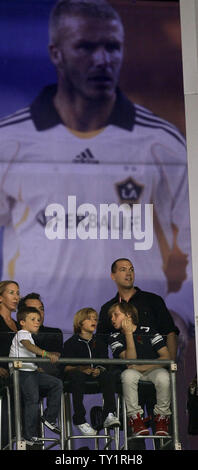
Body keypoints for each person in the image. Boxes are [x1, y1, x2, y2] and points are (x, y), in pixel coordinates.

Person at [0, 0, 193, 333]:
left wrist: (179, 315)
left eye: (112, 47)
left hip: (134, 350)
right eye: (87, 47)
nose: (103, 59)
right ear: (56, 53)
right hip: (38, 349)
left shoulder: (161, 143)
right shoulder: (11, 140)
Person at [108, 302, 171, 437]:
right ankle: (135, 419)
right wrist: (129, 334)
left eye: (116, 314)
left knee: (164, 376)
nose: (112, 319)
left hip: (152, 371)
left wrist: (143, 367)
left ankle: (162, 418)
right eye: (110, 316)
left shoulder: (149, 331)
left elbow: (166, 358)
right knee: (128, 375)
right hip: (132, 372)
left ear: (128, 315)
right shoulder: (114, 337)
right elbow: (130, 361)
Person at [97, 258, 179, 360]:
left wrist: (171, 364)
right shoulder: (107, 308)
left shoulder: (153, 300)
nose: (128, 273)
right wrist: (102, 369)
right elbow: (101, 341)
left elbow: (170, 332)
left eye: (131, 270)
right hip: (122, 370)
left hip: (155, 366)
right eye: (123, 270)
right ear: (113, 276)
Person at [9, 306, 63, 447]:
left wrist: (36, 366)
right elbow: (27, 346)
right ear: (22, 322)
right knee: (32, 400)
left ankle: (49, 417)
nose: (37, 322)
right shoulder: (22, 333)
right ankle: (29, 435)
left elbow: (28, 352)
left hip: (31, 371)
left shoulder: (29, 335)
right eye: (32, 319)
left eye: (38, 319)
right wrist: (46, 354)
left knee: (56, 383)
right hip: (21, 372)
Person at [62, 307, 120, 436]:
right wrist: (82, 369)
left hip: (96, 376)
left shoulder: (99, 342)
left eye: (95, 318)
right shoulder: (70, 343)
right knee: (77, 376)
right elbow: (65, 367)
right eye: (89, 318)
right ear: (80, 322)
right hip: (78, 377)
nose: (94, 321)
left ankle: (109, 414)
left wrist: (99, 369)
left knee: (108, 375)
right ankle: (80, 419)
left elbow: (105, 362)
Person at [18, 292, 63, 377]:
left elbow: (54, 357)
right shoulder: (17, 333)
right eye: (33, 310)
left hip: (48, 376)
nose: (39, 313)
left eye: (41, 309)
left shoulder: (54, 333)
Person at [0, 280, 20, 448]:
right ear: (0, 297)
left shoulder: (17, 324)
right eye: (11, 293)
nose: (16, 297)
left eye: (17, 293)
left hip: (18, 375)